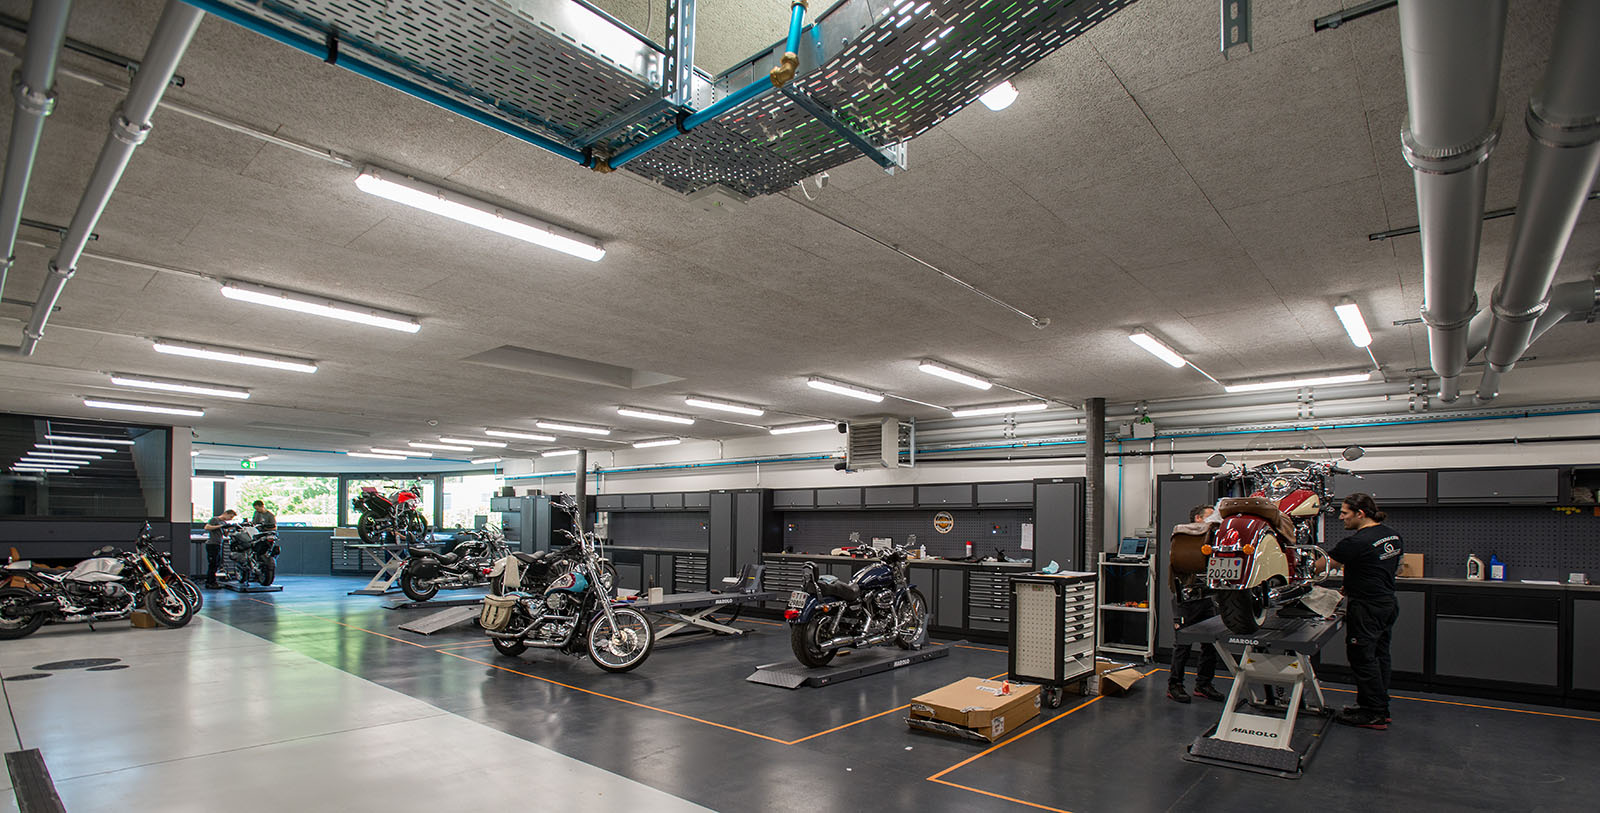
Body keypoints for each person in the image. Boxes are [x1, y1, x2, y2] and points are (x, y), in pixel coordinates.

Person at [1322, 492, 1403, 731]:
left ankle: (1373, 713)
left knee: (1363, 658)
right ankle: (1378, 707)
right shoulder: (1392, 535)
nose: (1341, 518)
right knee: (1379, 656)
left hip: (1367, 607)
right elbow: (1380, 567)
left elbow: (1322, 565)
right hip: (1387, 603)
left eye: (1345, 513)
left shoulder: (1356, 542)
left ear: (1360, 513)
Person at [1168, 504, 1225, 704]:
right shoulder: (1185, 537)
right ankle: (1174, 685)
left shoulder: (1214, 540)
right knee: (1182, 645)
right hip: (1187, 600)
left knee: (1210, 645)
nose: (1215, 519)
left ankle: (1204, 684)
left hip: (1206, 599)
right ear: (1198, 519)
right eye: (1211, 516)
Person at [203, 509, 238, 588]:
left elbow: (225, 535)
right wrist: (221, 526)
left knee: (217, 564)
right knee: (212, 564)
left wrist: (228, 529)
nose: (230, 519)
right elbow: (207, 527)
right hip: (212, 544)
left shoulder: (224, 522)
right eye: (230, 517)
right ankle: (210, 582)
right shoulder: (215, 519)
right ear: (226, 513)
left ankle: (213, 581)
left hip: (218, 544)